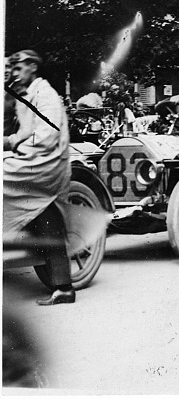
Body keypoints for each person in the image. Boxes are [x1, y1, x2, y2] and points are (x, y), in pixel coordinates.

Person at [3, 50, 75, 305]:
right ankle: (63, 286)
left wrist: (11, 145)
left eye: (18, 66)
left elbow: (47, 135)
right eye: (11, 67)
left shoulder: (44, 94)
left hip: (47, 161)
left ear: (33, 67)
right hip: (34, 160)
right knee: (42, 211)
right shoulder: (23, 94)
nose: (13, 71)